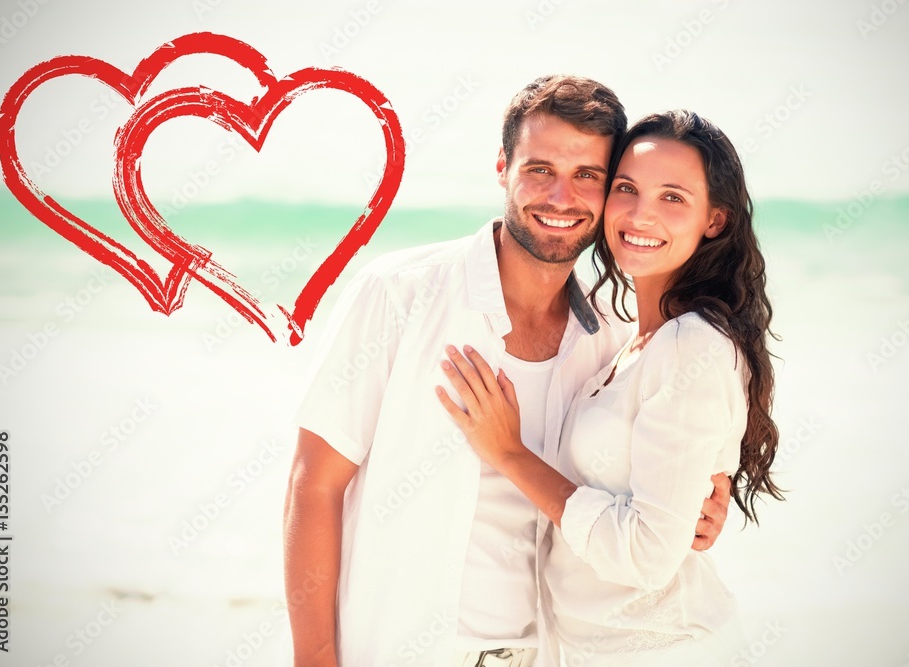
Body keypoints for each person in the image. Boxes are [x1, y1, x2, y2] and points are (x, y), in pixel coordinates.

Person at [283, 78, 731, 667]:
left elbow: (647, 490)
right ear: (503, 168)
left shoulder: (615, 338)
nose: (560, 197)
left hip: (545, 654)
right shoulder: (399, 294)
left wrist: (705, 499)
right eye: (539, 169)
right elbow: (314, 486)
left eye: (587, 176)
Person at [437, 110, 782, 665]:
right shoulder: (630, 342)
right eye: (626, 188)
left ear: (714, 220)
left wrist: (508, 453)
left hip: (666, 650)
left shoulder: (691, 345)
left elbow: (646, 558)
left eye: (673, 197)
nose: (641, 214)